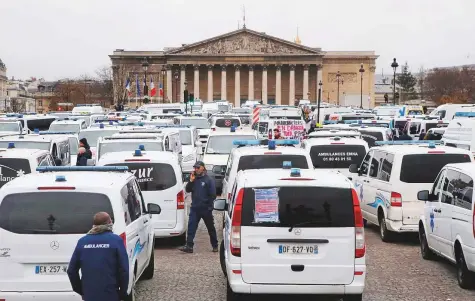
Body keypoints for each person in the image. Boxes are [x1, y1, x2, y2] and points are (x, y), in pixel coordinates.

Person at [67, 212, 129, 301]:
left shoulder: (82, 242)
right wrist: (123, 293)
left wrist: (81, 290)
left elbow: (71, 271)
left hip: (90, 294)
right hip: (110, 293)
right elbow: (124, 270)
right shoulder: (116, 240)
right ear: (109, 223)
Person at [179, 161, 218, 253]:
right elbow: (188, 189)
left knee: (210, 228)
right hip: (195, 208)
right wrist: (191, 181)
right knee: (191, 227)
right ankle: (189, 246)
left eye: (198, 168)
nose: (196, 169)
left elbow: (213, 195)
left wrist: (209, 206)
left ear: (203, 168)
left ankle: (215, 245)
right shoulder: (194, 179)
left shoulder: (208, 180)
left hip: (205, 209)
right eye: (195, 168)